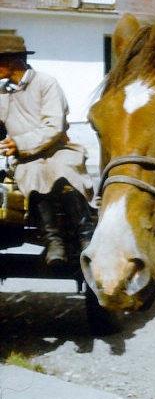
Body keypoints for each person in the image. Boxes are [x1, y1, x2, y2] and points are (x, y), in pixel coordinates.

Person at [0, 35, 94, 268]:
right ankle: (54, 241)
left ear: (12, 62)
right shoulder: (2, 93)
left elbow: (54, 126)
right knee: (32, 173)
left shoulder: (45, 83)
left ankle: (85, 236)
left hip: (58, 148)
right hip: (26, 158)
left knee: (62, 169)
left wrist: (19, 143)